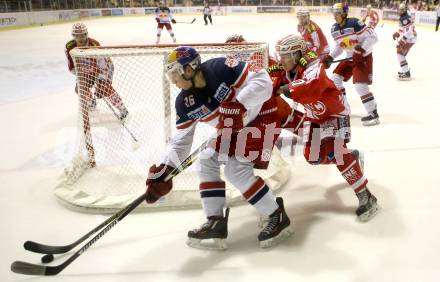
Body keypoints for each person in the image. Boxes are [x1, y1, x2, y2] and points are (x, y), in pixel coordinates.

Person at [144, 46, 293, 249]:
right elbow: (181, 141)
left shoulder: (220, 67)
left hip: (263, 116)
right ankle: (215, 221)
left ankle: (277, 215)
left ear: (189, 69)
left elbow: (263, 80)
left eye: (174, 73)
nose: (172, 81)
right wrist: (166, 170)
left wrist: (239, 104)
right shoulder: (184, 102)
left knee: (236, 169)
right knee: (206, 160)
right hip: (231, 129)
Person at [276, 34, 380, 222]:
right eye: (280, 55)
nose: (281, 60)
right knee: (312, 157)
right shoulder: (291, 67)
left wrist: (286, 89)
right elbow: (273, 70)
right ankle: (352, 158)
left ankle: (366, 195)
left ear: (297, 53)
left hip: (334, 112)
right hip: (315, 115)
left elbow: (311, 85)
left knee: (336, 152)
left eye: (285, 55)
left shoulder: (313, 66)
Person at [322, 3, 379, 126]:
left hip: (362, 58)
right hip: (349, 58)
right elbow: (340, 46)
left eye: (337, 12)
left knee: (360, 86)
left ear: (344, 13)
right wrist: (331, 57)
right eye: (334, 12)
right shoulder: (334, 29)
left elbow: (373, 37)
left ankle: (373, 113)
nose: (335, 15)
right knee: (335, 79)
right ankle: (344, 106)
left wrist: (361, 50)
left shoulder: (355, 23)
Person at [65, 22, 128, 120]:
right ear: (73, 36)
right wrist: (82, 75)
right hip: (85, 72)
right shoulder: (69, 47)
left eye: (82, 35)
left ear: (86, 34)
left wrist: (102, 82)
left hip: (101, 70)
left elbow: (106, 65)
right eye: (77, 36)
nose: (80, 38)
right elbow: (71, 67)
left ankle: (122, 108)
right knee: (79, 89)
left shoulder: (94, 44)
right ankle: (91, 101)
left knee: (105, 88)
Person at [393, 3, 417, 80]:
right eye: (399, 9)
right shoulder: (404, 16)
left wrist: (402, 40)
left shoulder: (405, 18)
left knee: (399, 53)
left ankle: (406, 72)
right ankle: (406, 71)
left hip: (410, 38)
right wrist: (398, 33)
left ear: (404, 10)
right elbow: (403, 29)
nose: (399, 11)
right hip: (410, 38)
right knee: (400, 53)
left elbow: (409, 31)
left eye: (401, 10)